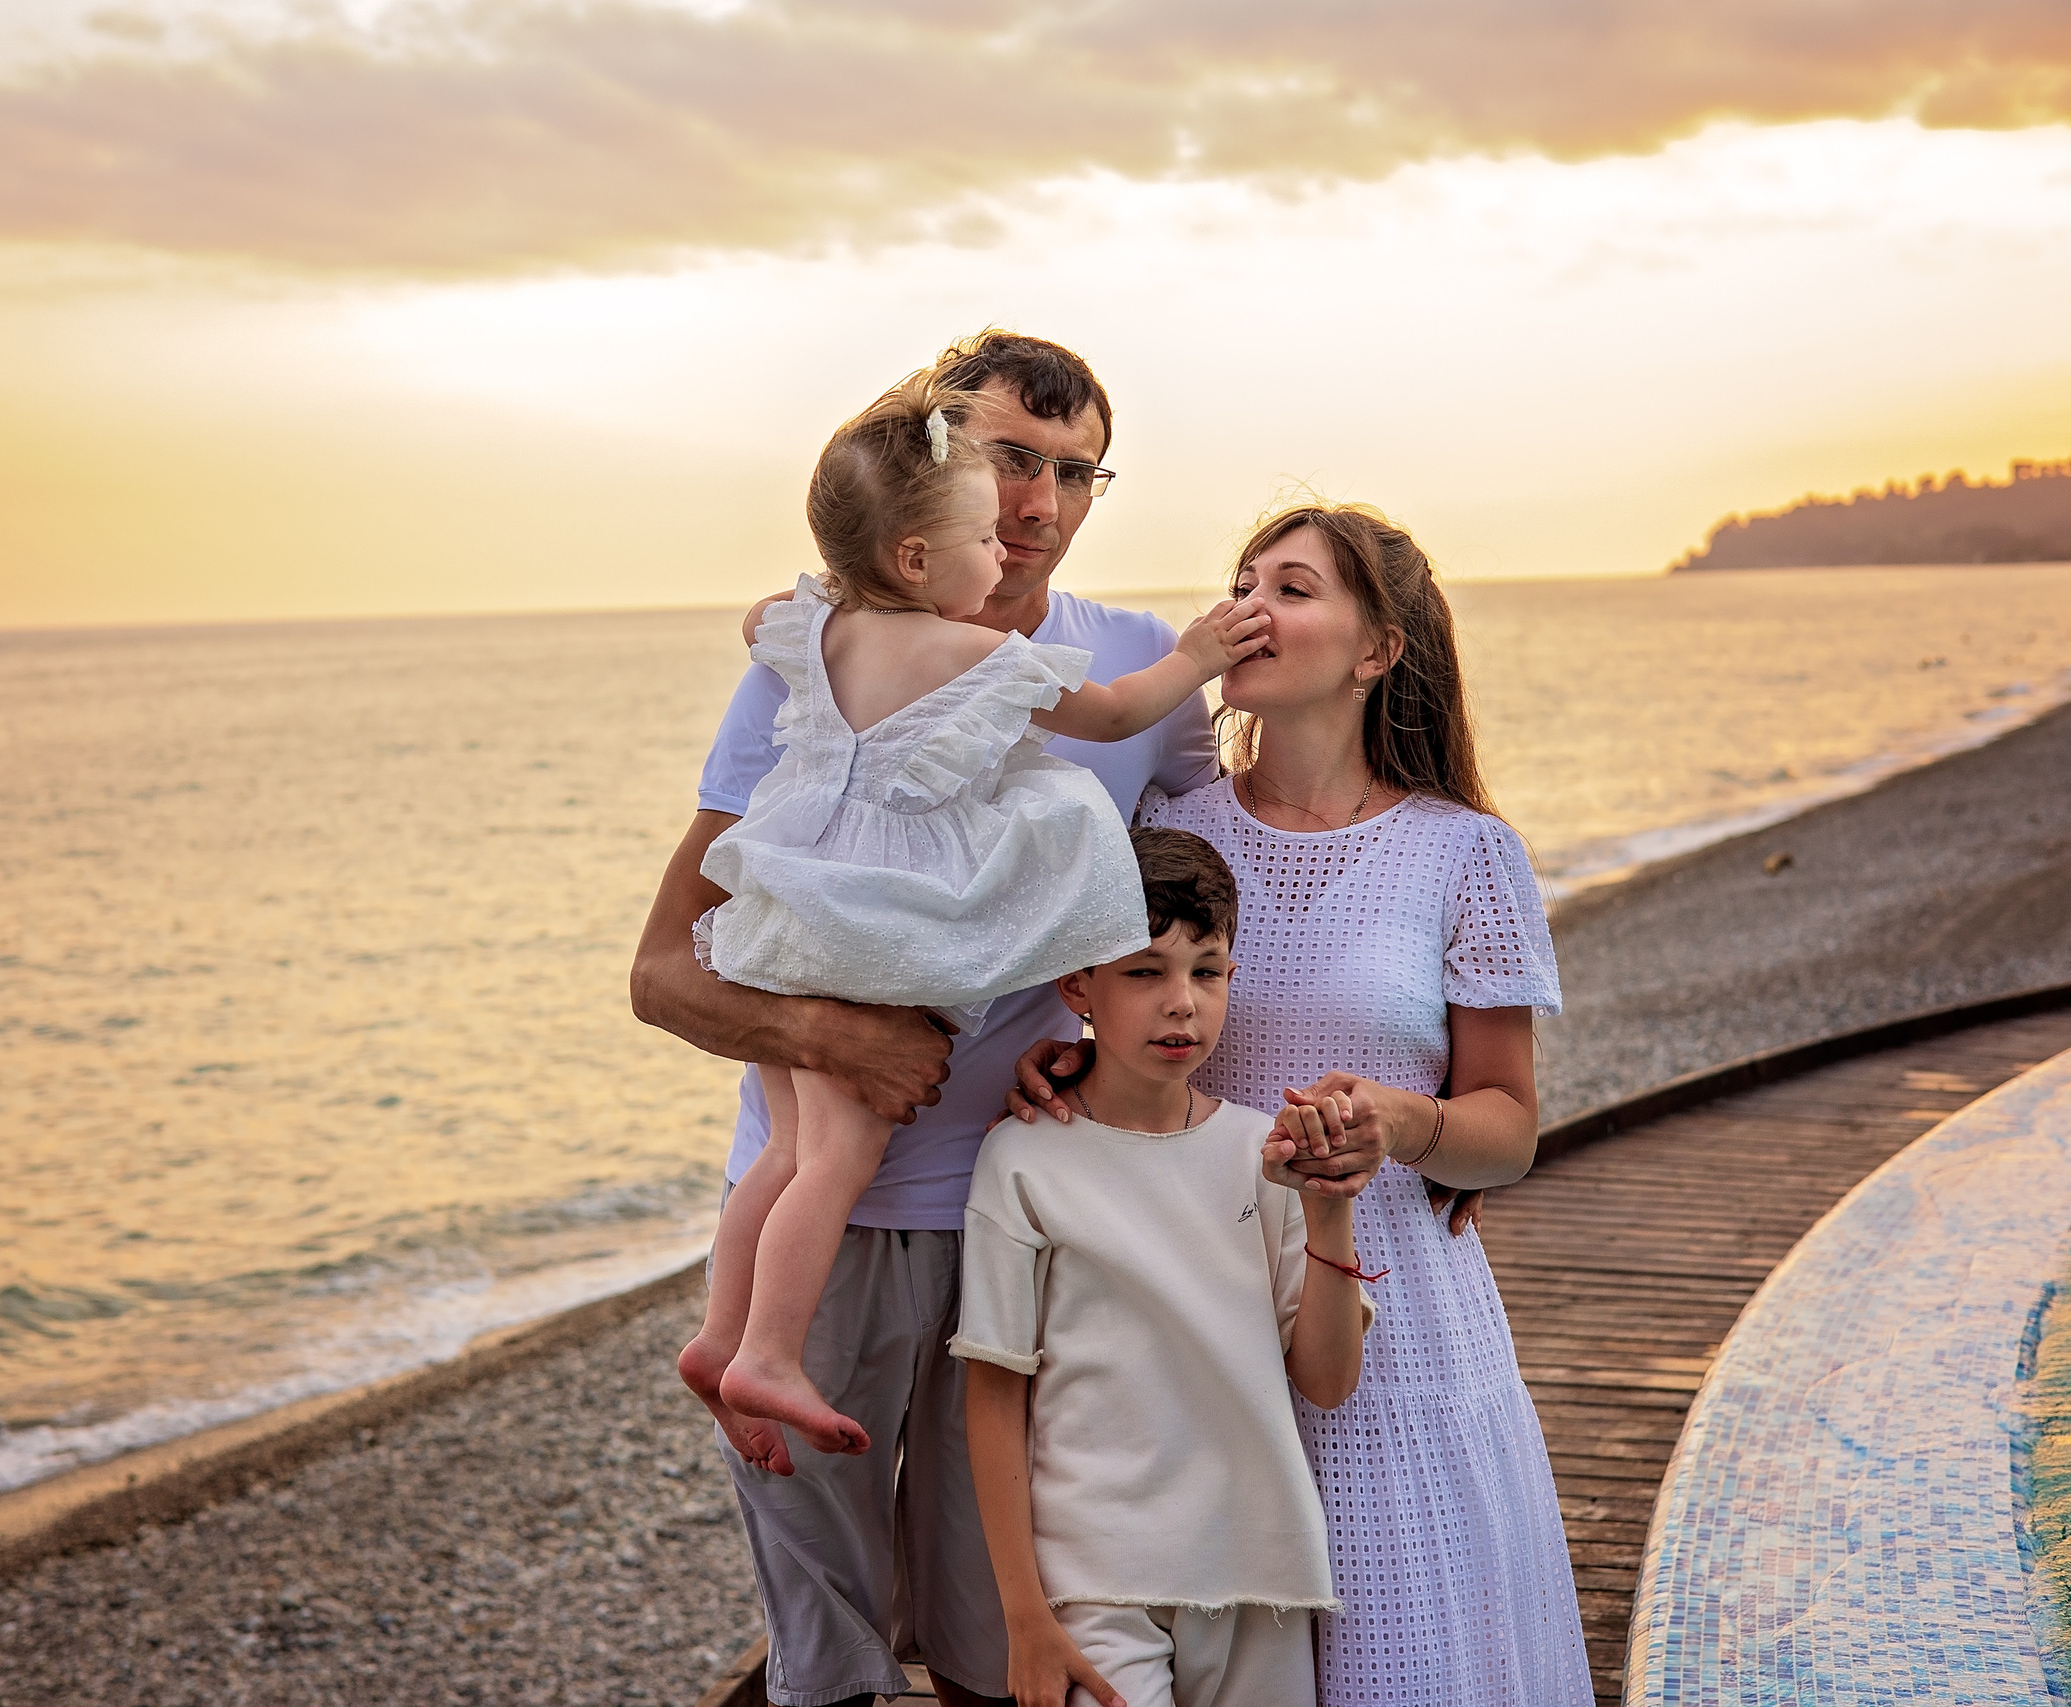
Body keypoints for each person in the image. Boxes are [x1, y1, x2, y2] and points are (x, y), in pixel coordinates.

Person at [630, 330, 1226, 1707]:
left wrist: (1107, 1045)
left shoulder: (1140, 668)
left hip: (1033, 1213)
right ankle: (743, 1343)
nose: (1040, 504)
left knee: (1000, 1638)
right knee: (829, 1652)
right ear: (932, 466)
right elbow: (666, 968)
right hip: (831, 1226)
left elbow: (1192, 901)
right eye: (1009, 457)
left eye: (1077, 471)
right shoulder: (821, 658)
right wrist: (839, 1043)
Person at [1010, 503, 1592, 1704]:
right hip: (1201, 1316)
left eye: (1292, 587)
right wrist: (1052, 1054)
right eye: (1240, 583)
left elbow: (1508, 1129)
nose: (1250, 608)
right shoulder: (1160, 836)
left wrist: (1404, 1124)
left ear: (1379, 647)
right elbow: (1120, 1024)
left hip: (1405, 1337)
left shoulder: (1466, 853)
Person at [675, 371, 1271, 1465]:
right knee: (831, 1159)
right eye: (1002, 473)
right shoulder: (979, 653)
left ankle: (722, 1335)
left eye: (1074, 472)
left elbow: (1212, 845)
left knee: (795, 1151)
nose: (1024, 520)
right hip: (867, 976)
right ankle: (765, 1352)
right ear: (919, 543)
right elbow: (1115, 707)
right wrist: (1198, 657)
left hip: (792, 927)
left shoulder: (816, 627)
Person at [958, 828, 1378, 1707]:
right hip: (1094, 1583)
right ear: (1078, 983)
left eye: (1207, 970)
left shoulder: (1259, 1153)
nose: (1181, 1003)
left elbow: (1328, 1379)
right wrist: (1025, 1617)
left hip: (1261, 1571)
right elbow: (993, 1394)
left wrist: (1326, 1204)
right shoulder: (1022, 1160)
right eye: (1145, 971)